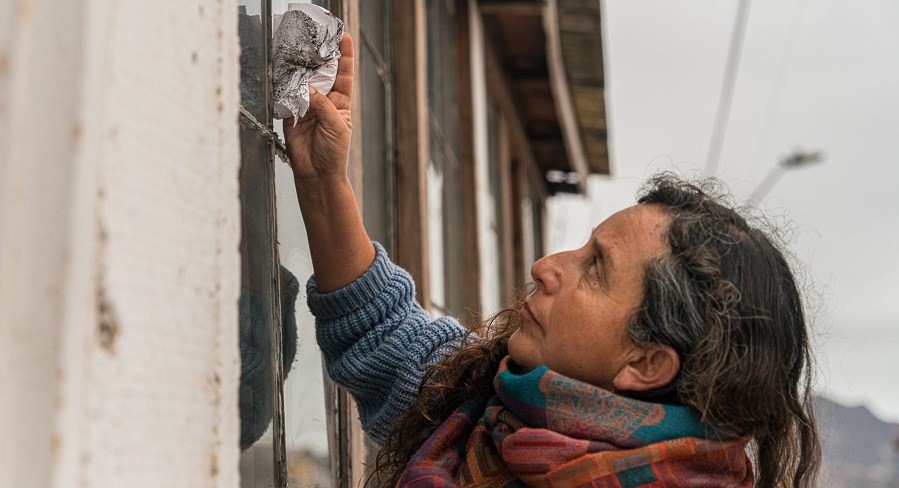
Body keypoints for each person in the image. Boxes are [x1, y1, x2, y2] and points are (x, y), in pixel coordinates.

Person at [283, 34, 820, 487]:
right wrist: (322, 178)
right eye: (584, 248)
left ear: (647, 364)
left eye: (596, 268)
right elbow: (383, 333)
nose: (546, 266)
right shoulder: (485, 396)